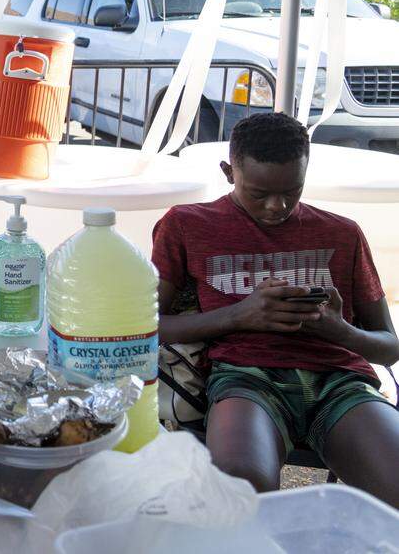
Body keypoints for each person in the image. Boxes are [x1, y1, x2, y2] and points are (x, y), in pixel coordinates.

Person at [153, 112, 399, 507]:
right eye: (259, 193)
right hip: (245, 377)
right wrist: (239, 316)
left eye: (292, 191)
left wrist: (339, 331)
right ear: (228, 172)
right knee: (240, 489)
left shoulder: (342, 232)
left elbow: (389, 346)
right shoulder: (186, 225)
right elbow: (147, 325)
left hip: (339, 380)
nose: (276, 207)